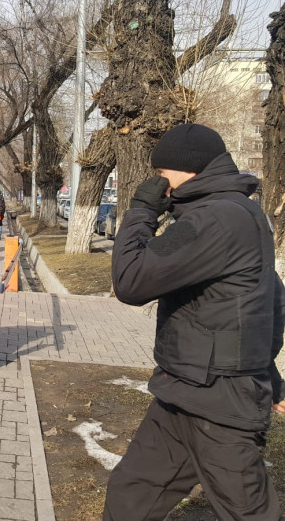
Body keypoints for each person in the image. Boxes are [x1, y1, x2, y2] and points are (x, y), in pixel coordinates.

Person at [103, 124, 285, 521]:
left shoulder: (212, 219)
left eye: (160, 173)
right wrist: (269, 373)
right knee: (132, 492)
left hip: (219, 400)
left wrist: (141, 212)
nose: (158, 183)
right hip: (184, 391)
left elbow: (131, 281)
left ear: (187, 168)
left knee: (248, 512)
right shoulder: (236, 211)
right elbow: (265, 296)